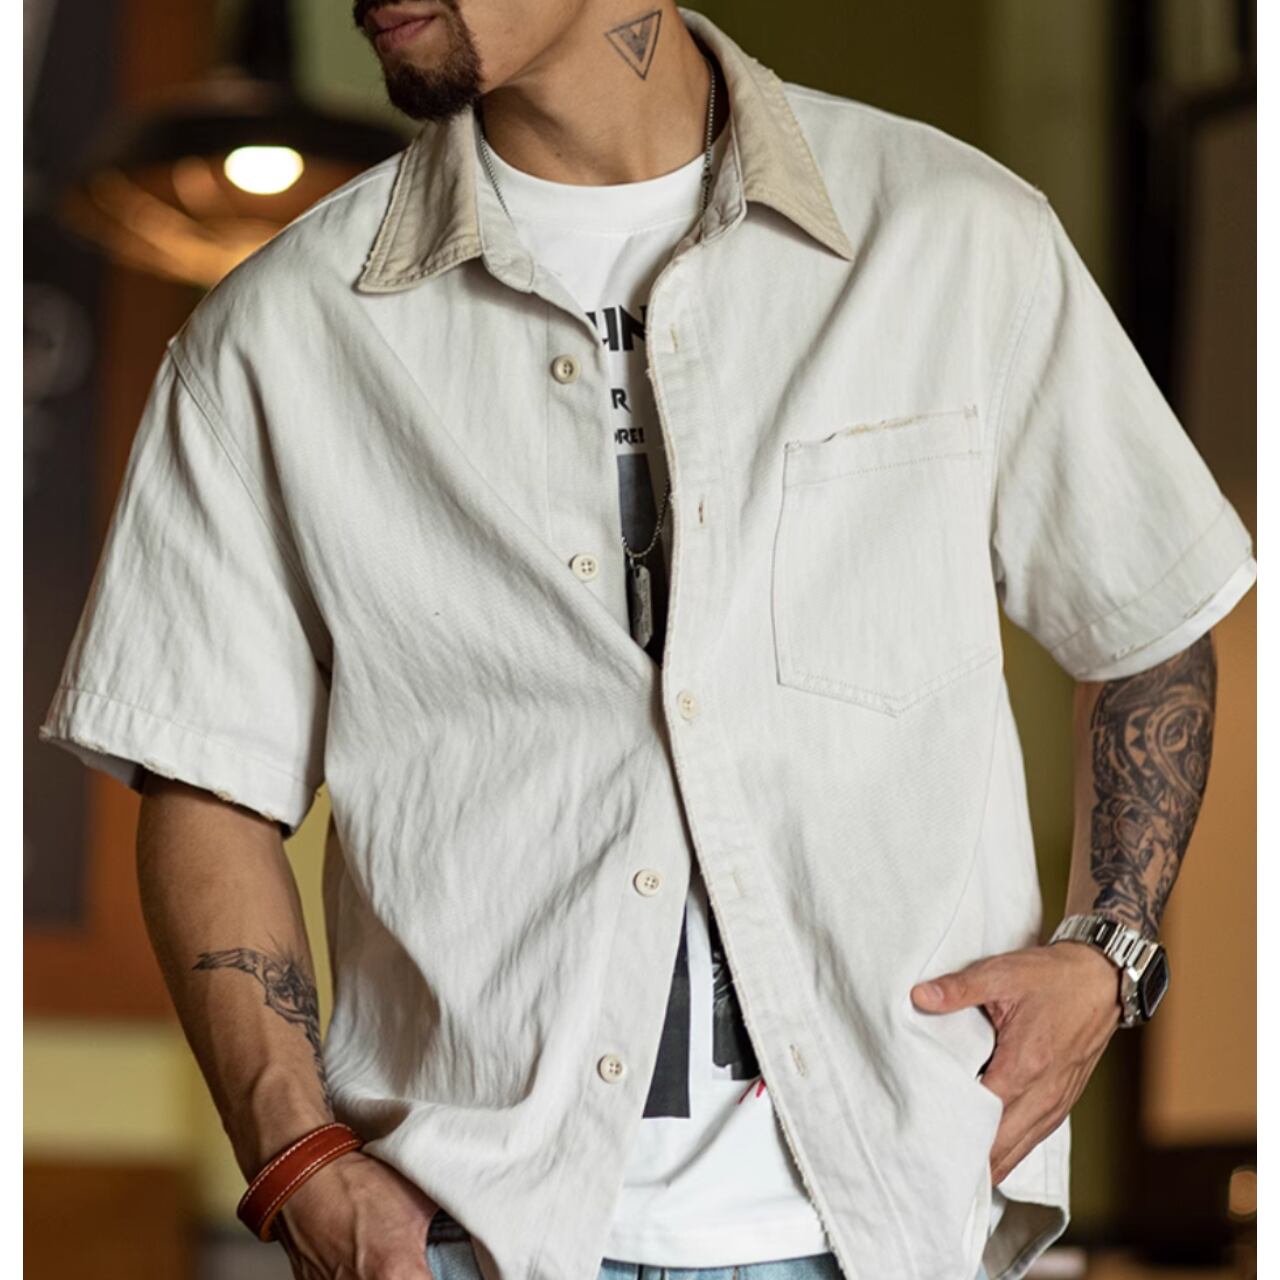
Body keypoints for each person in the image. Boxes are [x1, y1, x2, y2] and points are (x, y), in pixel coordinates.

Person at [37, 2, 1258, 1279]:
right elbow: (204, 783)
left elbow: (1144, 616)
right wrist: (297, 1158)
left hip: (886, 1222)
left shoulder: (951, 236)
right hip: (473, 1236)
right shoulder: (280, 333)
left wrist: (1108, 954)